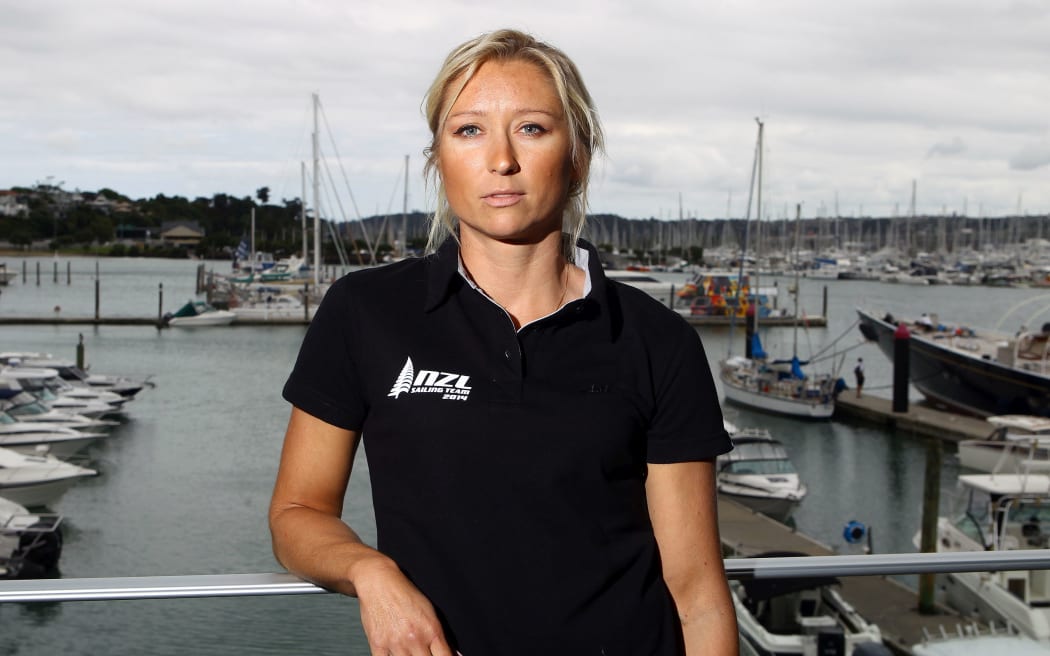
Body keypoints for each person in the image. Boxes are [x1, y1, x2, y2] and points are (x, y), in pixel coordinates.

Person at [269, 28, 737, 656]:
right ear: (437, 158)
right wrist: (370, 572)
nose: (501, 161)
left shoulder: (658, 341)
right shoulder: (366, 313)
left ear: (579, 155)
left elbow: (696, 592)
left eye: (532, 128)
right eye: (469, 130)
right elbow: (297, 511)